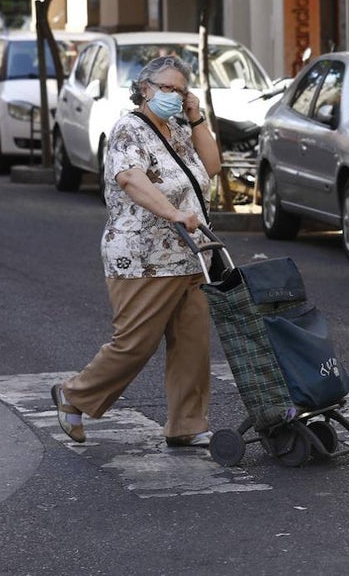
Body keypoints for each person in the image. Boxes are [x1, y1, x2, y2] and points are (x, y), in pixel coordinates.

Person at [51, 55, 222, 446]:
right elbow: (130, 178)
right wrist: (174, 213)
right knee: (135, 343)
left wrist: (196, 117)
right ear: (145, 89)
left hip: (191, 255)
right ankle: (74, 394)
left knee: (192, 345)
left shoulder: (178, 129)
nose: (174, 95)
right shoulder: (129, 129)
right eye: (166, 87)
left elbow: (211, 166)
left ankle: (187, 424)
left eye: (180, 90)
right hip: (144, 258)